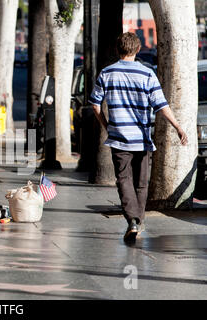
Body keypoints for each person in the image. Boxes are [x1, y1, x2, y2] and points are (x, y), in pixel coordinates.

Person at [89, 32, 188, 242]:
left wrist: (106, 126)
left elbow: (95, 105)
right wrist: (177, 126)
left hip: (118, 138)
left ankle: (133, 220)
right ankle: (138, 221)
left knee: (123, 179)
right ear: (138, 49)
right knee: (141, 183)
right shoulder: (147, 74)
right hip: (141, 139)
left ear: (118, 49)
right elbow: (161, 106)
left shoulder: (106, 73)